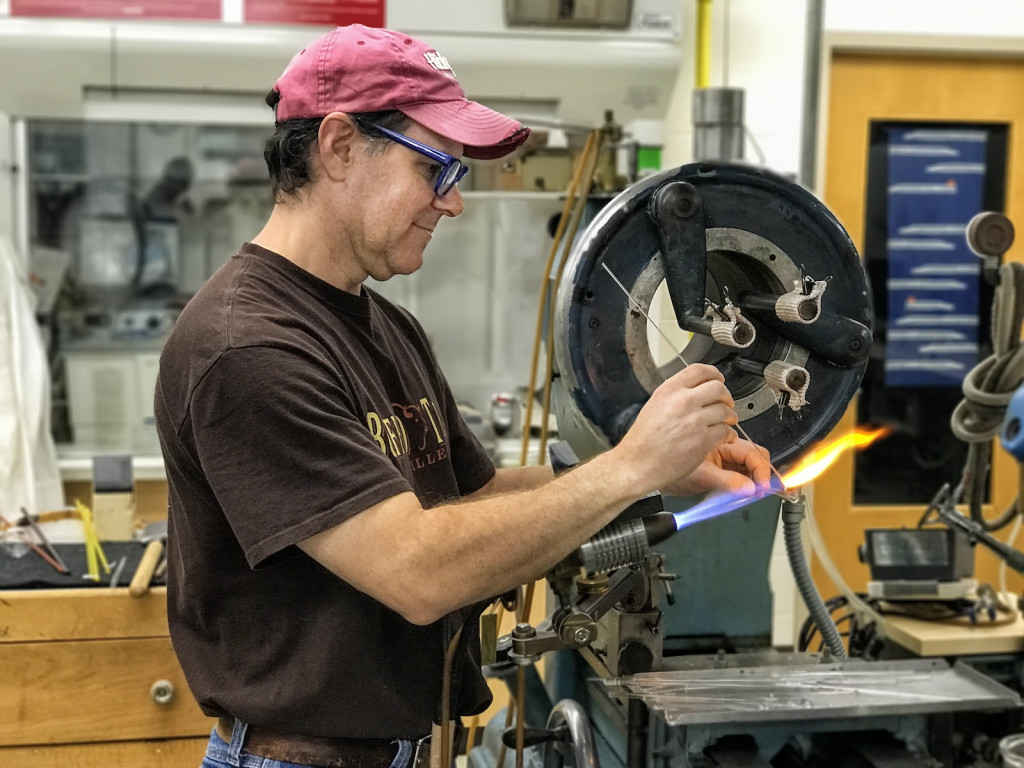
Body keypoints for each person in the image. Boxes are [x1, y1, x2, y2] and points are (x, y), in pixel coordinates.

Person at [153, 24, 771, 768]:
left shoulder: (386, 325)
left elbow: (472, 496)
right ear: (340, 147)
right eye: (437, 169)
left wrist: (656, 471)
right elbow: (417, 573)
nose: (453, 204)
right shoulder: (246, 344)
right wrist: (628, 468)